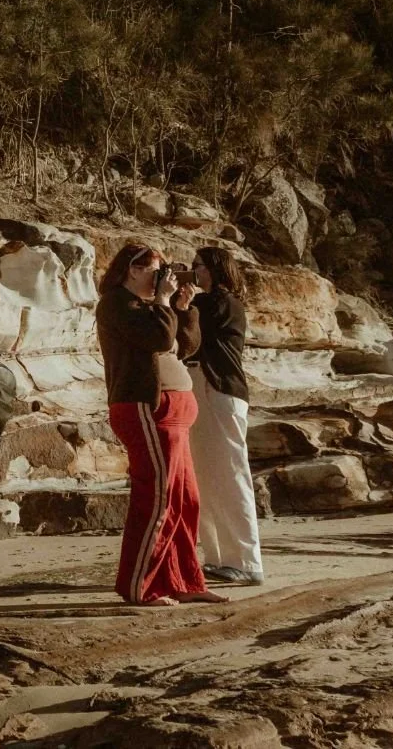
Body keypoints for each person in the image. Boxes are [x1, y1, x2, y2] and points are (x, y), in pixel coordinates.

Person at [95, 244, 221, 608]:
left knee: (186, 500)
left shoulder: (153, 307)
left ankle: (184, 580)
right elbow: (158, 339)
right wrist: (164, 303)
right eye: (154, 270)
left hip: (176, 410)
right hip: (144, 408)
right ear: (132, 270)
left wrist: (182, 308)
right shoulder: (116, 303)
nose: (161, 277)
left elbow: (187, 345)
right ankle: (141, 586)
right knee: (157, 499)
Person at [190, 245, 266, 587]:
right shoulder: (211, 301)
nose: (195, 272)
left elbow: (192, 318)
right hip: (206, 389)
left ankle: (248, 562)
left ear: (216, 270)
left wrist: (177, 294)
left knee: (232, 475)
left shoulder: (222, 302)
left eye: (199, 267)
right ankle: (221, 558)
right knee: (206, 476)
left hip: (220, 391)